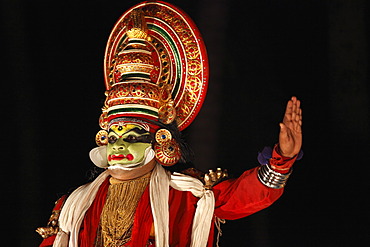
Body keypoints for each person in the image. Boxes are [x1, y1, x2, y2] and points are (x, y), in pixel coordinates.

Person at [36, 2, 302, 247]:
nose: (118, 146)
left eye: (131, 137)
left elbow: (244, 197)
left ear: (160, 139)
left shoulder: (188, 194)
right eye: (112, 136)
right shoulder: (73, 206)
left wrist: (283, 158)